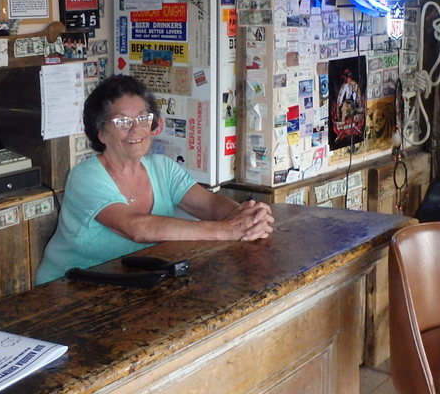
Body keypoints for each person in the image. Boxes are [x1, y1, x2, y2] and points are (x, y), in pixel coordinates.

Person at [35, 75, 274, 285]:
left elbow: (210, 205)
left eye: (142, 118)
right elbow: (136, 228)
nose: (135, 129)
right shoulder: (86, 176)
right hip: (71, 287)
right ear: (100, 132)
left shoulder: (162, 168)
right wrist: (224, 231)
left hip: (134, 281)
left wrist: (247, 217)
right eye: (122, 122)